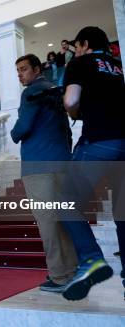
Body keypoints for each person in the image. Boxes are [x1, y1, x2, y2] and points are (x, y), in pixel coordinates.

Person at [60, 26, 125, 301]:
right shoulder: (118, 66)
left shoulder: (80, 63)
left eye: (77, 45)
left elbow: (71, 100)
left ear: (84, 44)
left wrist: (75, 110)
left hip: (99, 142)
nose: (76, 49)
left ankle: (91, 258)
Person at [10, 54, 77, 293]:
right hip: (61, 162)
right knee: (63, 220)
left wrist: (13, 133)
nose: (20, 74)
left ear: (36, 69)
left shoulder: (30, 93)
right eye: (17, 70)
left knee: (48, 222)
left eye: (24, 69)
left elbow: (22, 129)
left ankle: (59, 276)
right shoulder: (55, 91)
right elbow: (66, 130)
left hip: (38, 166)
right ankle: (71, 270)